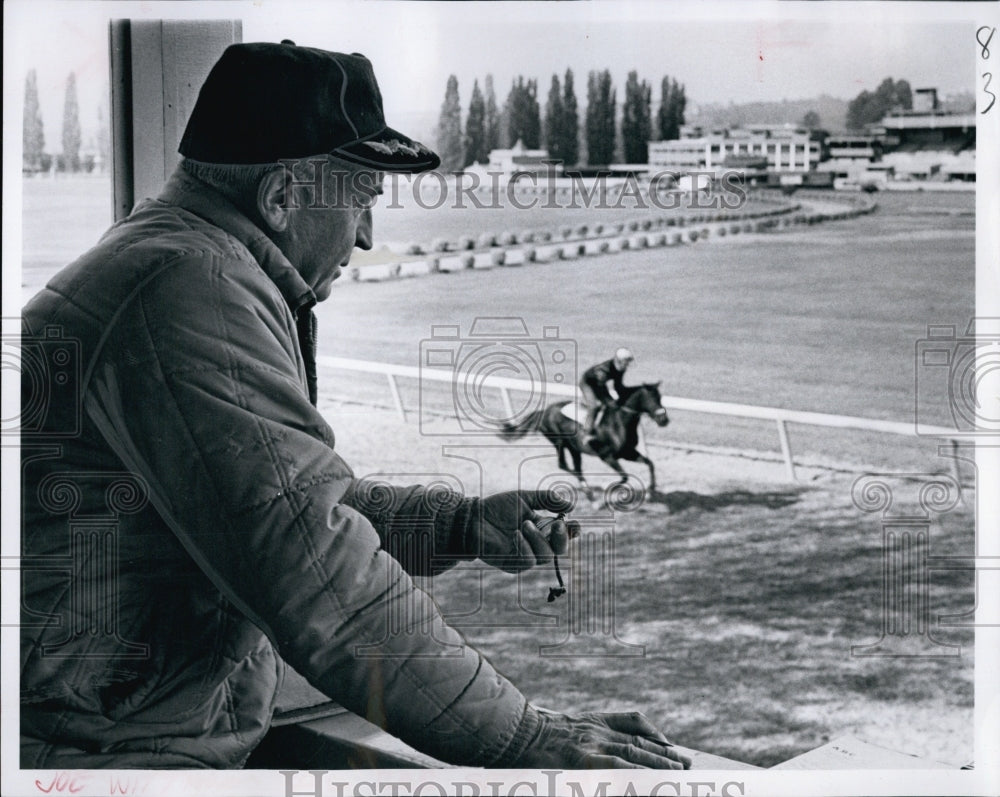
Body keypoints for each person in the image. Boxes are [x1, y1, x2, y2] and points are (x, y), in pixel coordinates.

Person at [19, 42, 689, 771]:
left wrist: (460, 524)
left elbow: (285, 507)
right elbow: (324, 582)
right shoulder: (192, 289)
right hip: (106, 755)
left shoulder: (175, 261)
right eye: (364, 199)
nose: (367, 236)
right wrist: (526, 736)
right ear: (281, 196)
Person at [580, 347, 635, 435]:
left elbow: (618, 386)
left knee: (613, 404)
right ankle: (587, 431)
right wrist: (609, 400)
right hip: (588, 384)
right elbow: (600, 389)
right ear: (620, 361)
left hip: (600, 384)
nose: (627, 364)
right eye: (626, 362)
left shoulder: (620, 369)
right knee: (595, 406)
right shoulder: (603, 370)